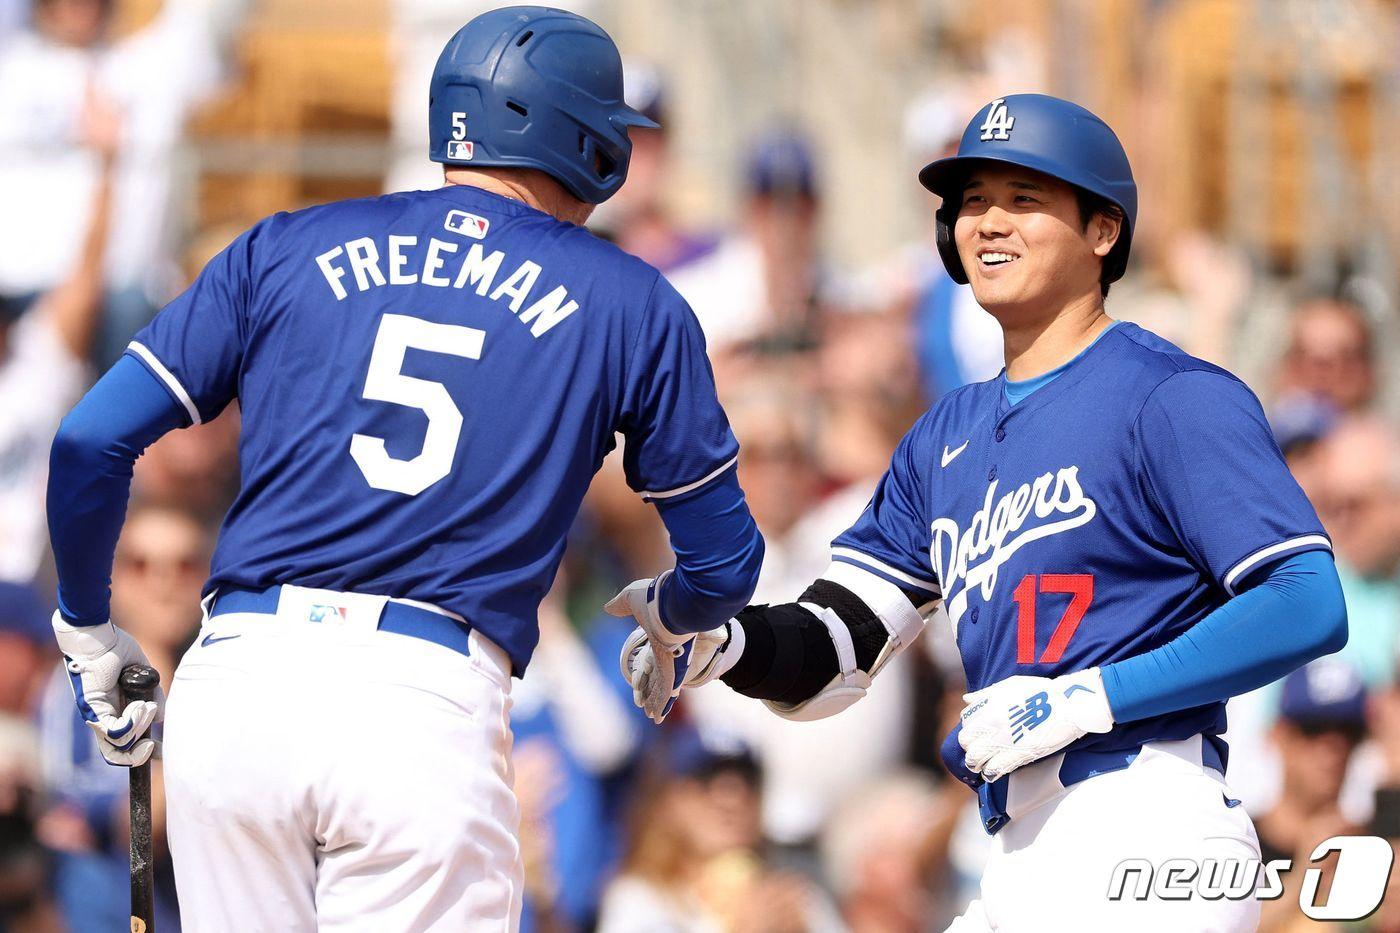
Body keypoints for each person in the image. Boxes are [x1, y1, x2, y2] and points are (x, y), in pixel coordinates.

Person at [44, 6, 763, 930]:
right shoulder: (630, 297)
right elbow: (725, 565)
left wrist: (89, 630)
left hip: (238, 684)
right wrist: (671, 618)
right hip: (419, 705)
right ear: (589, 143)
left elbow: (86, 441)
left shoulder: (284, 242)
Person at [616, 94, 1348, 931]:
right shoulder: (944, 438)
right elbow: (840, 643)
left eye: (1024, 199)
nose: (989, 222)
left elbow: (1305, 599)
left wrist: (1087, 697)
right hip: (1012, 847)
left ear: (1104, 230)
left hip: (1149, 813)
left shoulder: (1170, 395)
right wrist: (727, 642)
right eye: (972, 201)